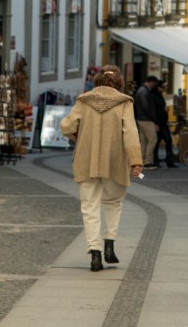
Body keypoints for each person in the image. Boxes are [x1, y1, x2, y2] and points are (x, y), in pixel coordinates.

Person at [60, 65, 144, 272]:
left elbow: (66, 126)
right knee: (113, 203)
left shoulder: (83, 100)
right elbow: (131, 134)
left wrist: (78, 137)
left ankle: (95, 254)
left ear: (97, 80)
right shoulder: (125, 102)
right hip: (114, 161)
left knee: (89, 207)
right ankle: (109, 243)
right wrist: (136, 161)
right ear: (119, 82)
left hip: (86, 160)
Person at [134, 75, 160, 169]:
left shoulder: (140, 91)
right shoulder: (144, 92)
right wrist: (154, 121)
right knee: (153, 139)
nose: (155, 86)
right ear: (151, 82)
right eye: (154, 83)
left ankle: (142, 161)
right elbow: (147, 107)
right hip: (147, 119)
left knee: (143, 141)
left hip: (140, 119)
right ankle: (148, 162)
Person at [152, 80, 177, 167]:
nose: (165, 88)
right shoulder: (154, 96)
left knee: (167, 140)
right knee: (158, 141)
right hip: (159, 123)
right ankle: (156, 161)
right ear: (159, 87)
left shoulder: (159, 96)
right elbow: (153, 110)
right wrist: (155, 123)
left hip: (163, 122)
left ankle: (168, 160)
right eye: (163, 86)